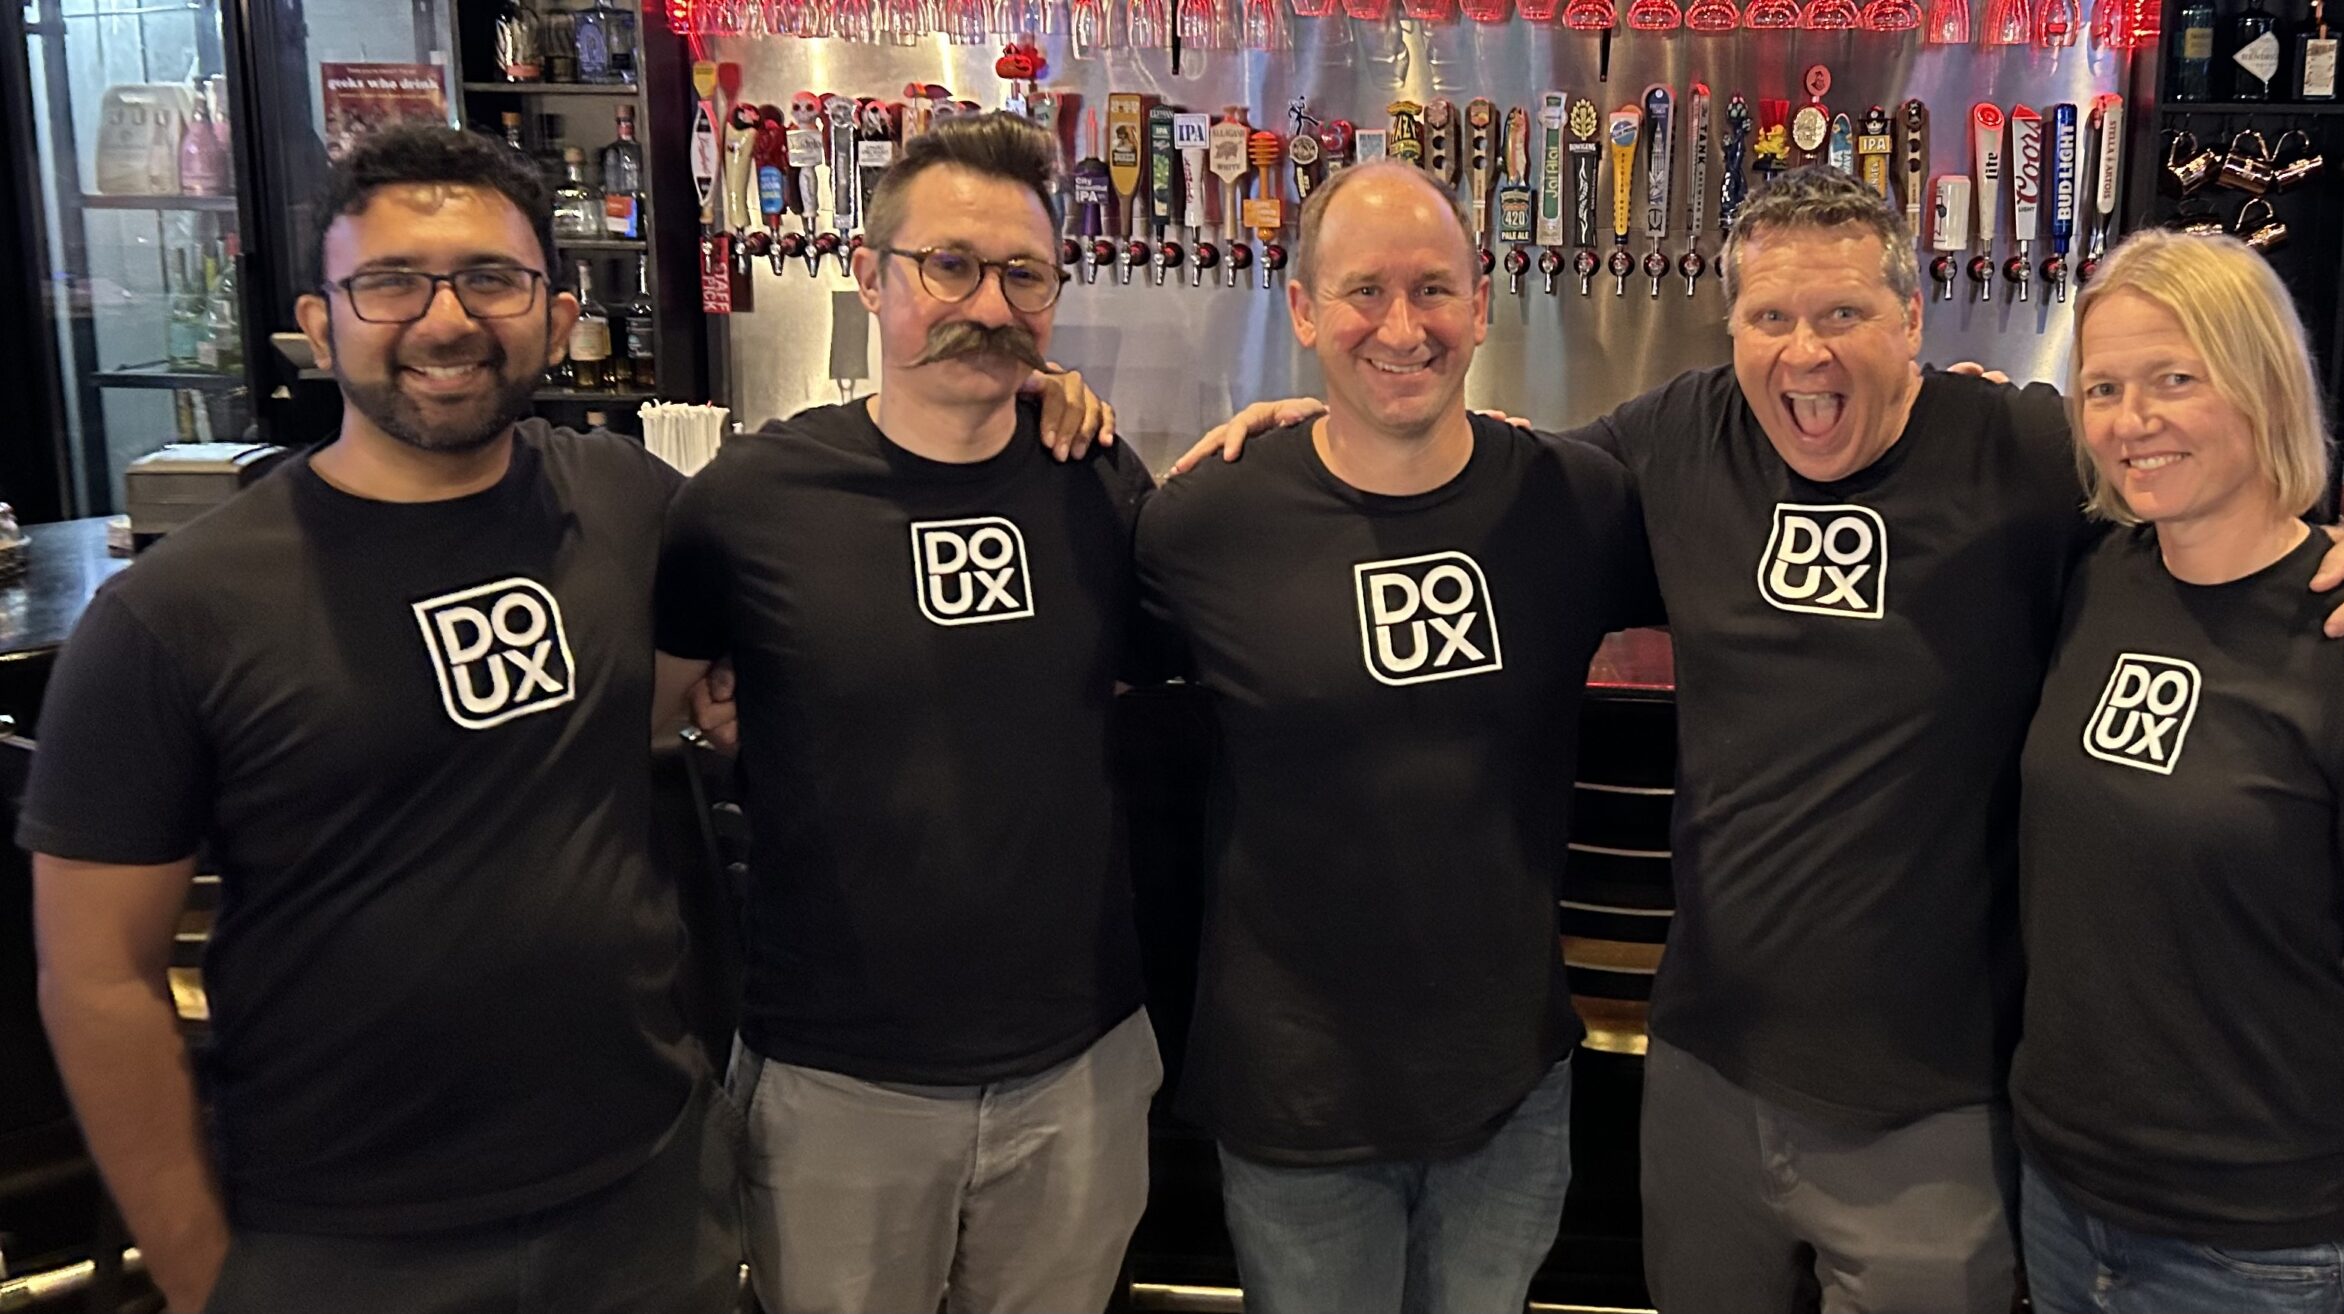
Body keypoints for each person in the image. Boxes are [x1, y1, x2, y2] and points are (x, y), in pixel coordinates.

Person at [1180, 165, 2344, 1314]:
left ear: (1914, 321)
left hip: (1941, 1104)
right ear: (1732, 328)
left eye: (1846, 313)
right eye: (1771, 317)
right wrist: (1320, 441)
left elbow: (2216, 519)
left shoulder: (2028, 448)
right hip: (1706, 1078)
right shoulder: (1677, 442)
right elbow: (1474, 480)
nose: (1806, 354)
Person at [22, 124, 737, 1314]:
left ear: (557, 318)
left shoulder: (628, 504)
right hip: (340, 1235)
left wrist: (1012, 388)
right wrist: (203, 1278)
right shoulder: (176, 614)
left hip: (646, 1191)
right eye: (391, 283)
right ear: (320, 323)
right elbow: (97, 980)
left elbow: (696, 680)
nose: (445, 321)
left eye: (491, 279)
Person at [1132, 159, 1661, 1314]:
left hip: (1507, 1080)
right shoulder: (1201, 521)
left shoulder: (1577, 502)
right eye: (1363, 291)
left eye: (1435, 289)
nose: (1402, 326)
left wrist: (1947, 408)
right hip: (1294, 1099)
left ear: (1483, 302)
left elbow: (1762, 503)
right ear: (1306, 311)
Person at [653, 111, 1160, 1314]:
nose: (986, 301)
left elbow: (1134, 694)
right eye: (949, 265)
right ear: (873, 278)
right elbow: (657, 717)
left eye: (1022, 272)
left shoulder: (1101, 480)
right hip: (836, 1084)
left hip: (1076, 1071)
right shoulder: (749, 501)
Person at [2014, 229, 2344, 1314]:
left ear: (2263, 383)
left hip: (2260, 1244)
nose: (2134, 422)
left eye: (2177, 378)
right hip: (2057, 1193)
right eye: (2105, 388)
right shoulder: (2091, 580)